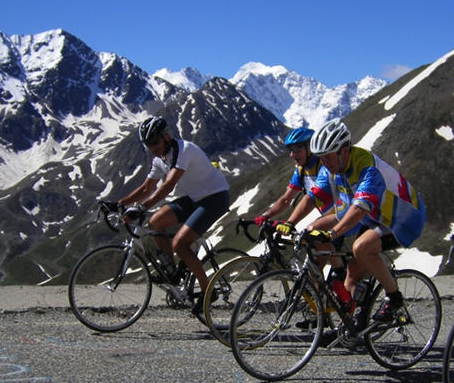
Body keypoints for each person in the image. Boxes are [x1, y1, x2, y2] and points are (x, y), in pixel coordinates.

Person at [305, 119, 426, 324]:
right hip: (374, 218)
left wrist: (333, 233)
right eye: (320, 158)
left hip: (402, 218)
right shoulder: (333, 168)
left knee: (361, 247)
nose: (324, 163)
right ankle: (348, 328)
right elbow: (313, 196)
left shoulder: (367, 167)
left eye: (328, 157)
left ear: (344, 151)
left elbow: (360, 207)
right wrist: (289, 222)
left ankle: (394, 299)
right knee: (351, 272)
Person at [118, 116, 230, 301]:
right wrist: (120, 203)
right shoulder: (159, 159)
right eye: (148, 144)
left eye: (155, 142)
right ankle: (172, 273)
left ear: (166, 137)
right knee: (155, 222)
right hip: (195, 198)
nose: (152, 147)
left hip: (215, 198)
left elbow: (168, 185)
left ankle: (208, 292)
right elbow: (146, 188)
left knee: (180, 244)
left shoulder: (184, 150)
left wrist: (142, 207)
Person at [252, 127, 322, 234]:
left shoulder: (324, 166)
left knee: (314, 238)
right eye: (291, 150)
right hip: (327, 215)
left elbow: (312, 198)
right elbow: (286, 199)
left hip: (340, 215)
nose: (292, 154)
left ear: (311, 146)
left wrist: (290, 222)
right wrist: (266, 216)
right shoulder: (301, 170)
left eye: (297, 149)